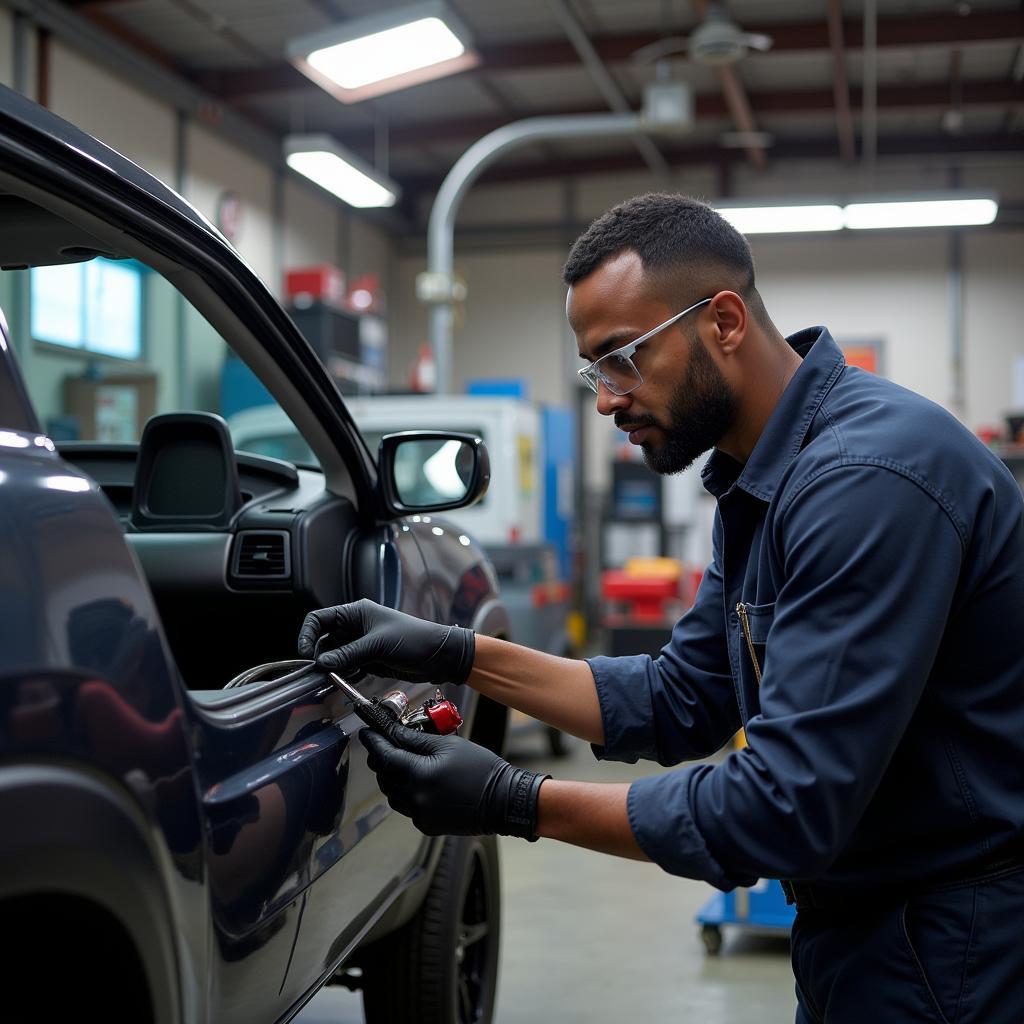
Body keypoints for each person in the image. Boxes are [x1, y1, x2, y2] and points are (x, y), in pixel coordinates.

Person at [298, 193, 1024, 1022]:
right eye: (594, 370)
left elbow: (785, 807)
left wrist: (514, 800)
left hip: (957, 944)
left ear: (722, 322)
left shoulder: (866, 480)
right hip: (864, 929)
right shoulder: (761, 479)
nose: (607, 399)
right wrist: (454, 654)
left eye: (624, 357)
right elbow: (682, 697)